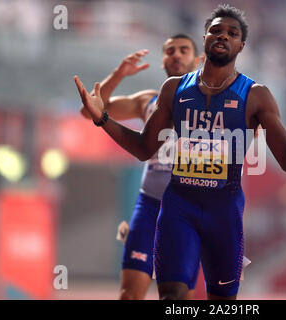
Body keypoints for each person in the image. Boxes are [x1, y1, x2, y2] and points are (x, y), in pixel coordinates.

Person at [75, 4, 286, 300]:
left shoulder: (256, 95)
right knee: (172, 298)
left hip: (224, 215)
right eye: (216, 30)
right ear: (206, 37)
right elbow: (144, 148)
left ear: (241, 45)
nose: (223, 36)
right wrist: (103, 119)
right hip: (178, 208)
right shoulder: (174, 89)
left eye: (232, 33)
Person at [80, 34, 202, 300]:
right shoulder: (148, 101)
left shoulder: (211, 106)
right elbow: (91, 110)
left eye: (184, 50)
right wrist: (118, 74)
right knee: (129, 296)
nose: (177, 55)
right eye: (170, 51)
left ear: (198, 59)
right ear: (163, 61)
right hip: (150, 208)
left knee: (176, 301)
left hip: (190, 213)